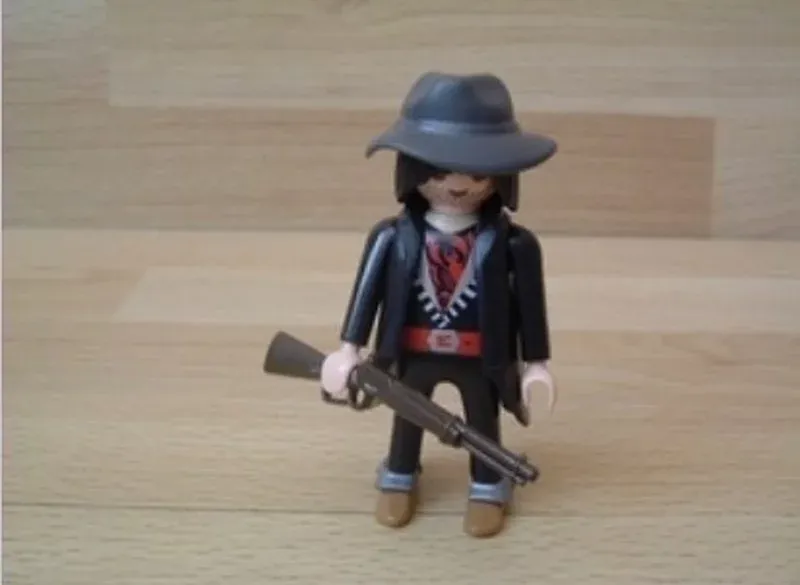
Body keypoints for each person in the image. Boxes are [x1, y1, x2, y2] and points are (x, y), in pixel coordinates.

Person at [320, 71, 557, 538]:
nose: (458, 184)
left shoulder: (515, 245)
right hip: (412, 350)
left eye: (477, 173)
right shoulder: (392, 237)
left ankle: (487, 484)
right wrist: (348, 351)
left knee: (482, 420)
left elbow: (531, 307)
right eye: (439, 170)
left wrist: (537, 364)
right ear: (413, 169)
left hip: (482, 356)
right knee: (407, 416)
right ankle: (399, 474)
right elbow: (367, 295)